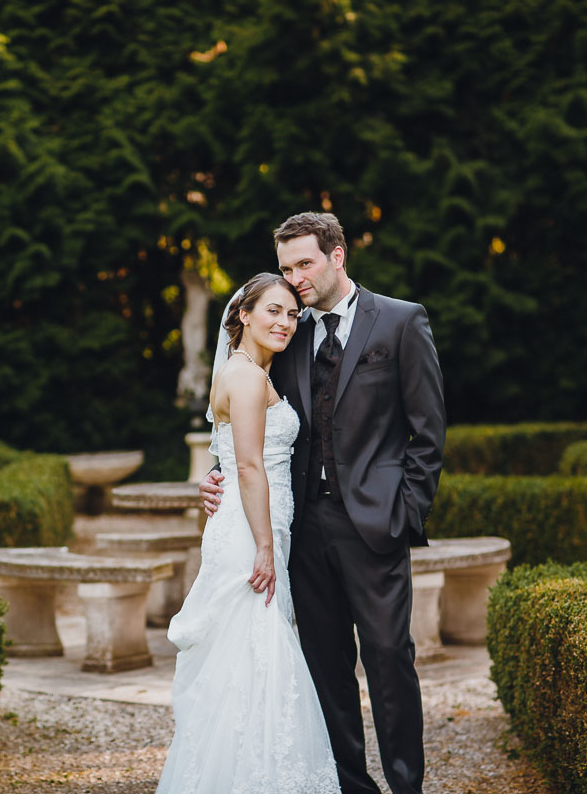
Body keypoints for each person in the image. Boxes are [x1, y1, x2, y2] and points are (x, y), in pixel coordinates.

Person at [200, 213, 446, 794]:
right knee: (325, 670)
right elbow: (253, 417)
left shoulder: (401, 321)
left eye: (304, 264)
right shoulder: (288, 332)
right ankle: (350, 787)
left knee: (390, 660)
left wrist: (405, 512)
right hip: (303, 531)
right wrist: (218, 473)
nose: (295, 279)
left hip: (375, 525)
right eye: (286, 268)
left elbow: (428, 433)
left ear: (337, 256)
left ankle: (407, 786)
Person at [156, 272, 341, 794]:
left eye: (291, 314)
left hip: (262, 525)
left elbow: (228, 455)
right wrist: (263, 545)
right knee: (256, 656)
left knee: (252, 660)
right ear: (244, 315)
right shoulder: (244, 376)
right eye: (273, 311)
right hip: (250, 532)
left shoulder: (254, 372)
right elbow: (249, 468)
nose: (285, 322)